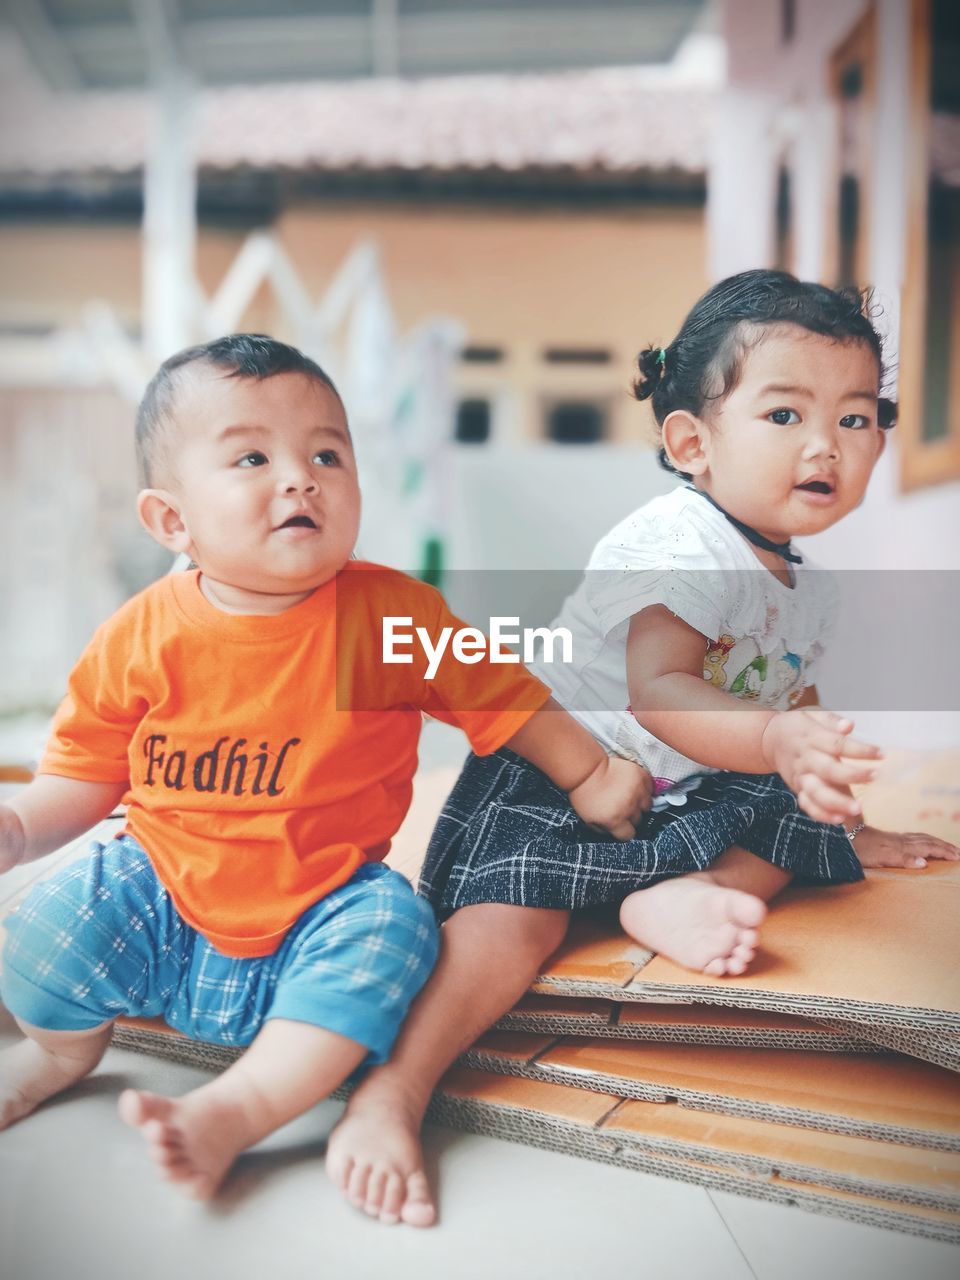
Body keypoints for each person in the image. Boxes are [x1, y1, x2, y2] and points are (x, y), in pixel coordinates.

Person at [326, 269, 960, 1227]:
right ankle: (395, 1089)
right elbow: (659, 692)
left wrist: (836, 802)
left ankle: (675, 896)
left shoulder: (807, 583)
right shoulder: (674, 539)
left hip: (684, 787)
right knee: (516, 921)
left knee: (796, 824)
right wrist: (778, 737)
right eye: (786, 415)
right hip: (572, 771)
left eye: (858, 417)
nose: (829, 444)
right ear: (691, 443)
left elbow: (785, 697)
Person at [0, 334, 651, 1201]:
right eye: (252, 457)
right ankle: (57, 1056)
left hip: (324, 897)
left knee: (396, 935)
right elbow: (85, 772)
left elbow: (502, 695)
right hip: (160, 883)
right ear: (171, 521)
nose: (300, 476)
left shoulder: (383, 616)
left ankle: (234, 1112)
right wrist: (18, 826)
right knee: (44, 927)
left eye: (326, 453)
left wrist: (589, 775)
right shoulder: (140, 634)